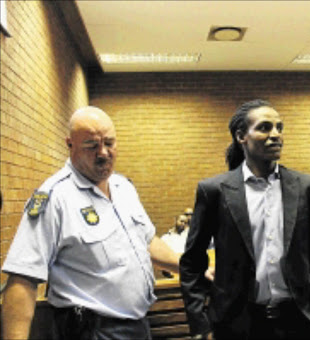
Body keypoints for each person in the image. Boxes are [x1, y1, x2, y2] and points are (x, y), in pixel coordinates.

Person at [1, 106, 181, 340]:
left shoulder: (123, 187)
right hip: (90, 331)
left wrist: (191, 269)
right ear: (70, 145)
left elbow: (147, 242)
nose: (103, 152)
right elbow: (22, 279)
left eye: (109, 142)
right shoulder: (54, 198)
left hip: (137, 325)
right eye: (91, 145)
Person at [179, 99, 310, 340]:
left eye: (279, 127)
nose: (276, 135)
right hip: (237, 326)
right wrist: (201, 324)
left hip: (299, 322)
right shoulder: (215, 191)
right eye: (265, 127)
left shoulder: (305, 187)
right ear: (241, 136)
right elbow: (191, 263)